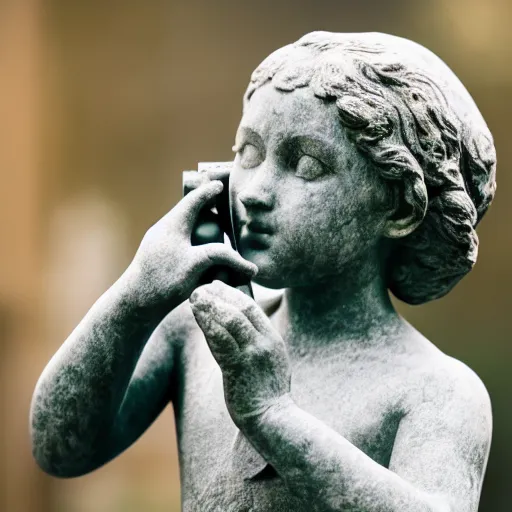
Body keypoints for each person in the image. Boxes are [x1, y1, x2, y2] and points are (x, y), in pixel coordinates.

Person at [30, 31, 496, 511]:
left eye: (306, 164)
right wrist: (135, 295)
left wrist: (273, 416)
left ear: (398, 207)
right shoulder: (197, 333)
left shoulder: (437, 390)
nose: (254, 191)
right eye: (248, 153)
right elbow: (60, 448)